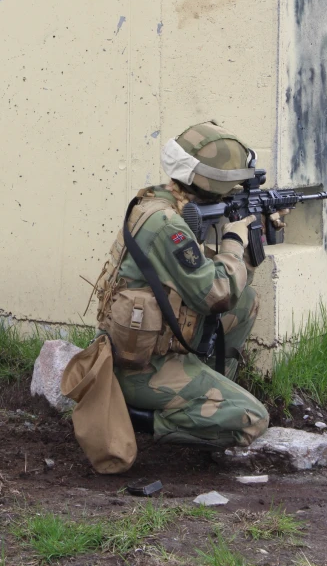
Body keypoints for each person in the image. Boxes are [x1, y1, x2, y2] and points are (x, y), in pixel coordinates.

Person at [95, 120, 275, 448]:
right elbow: (214, 294)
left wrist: (255, 229)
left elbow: (204, 275)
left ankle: (211, 391)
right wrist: (235, 240)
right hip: (139, 367)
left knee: (245, 301)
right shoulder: (168, 225)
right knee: (252, 419)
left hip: (153, 346)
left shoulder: (161, 199)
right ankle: (142, 419)